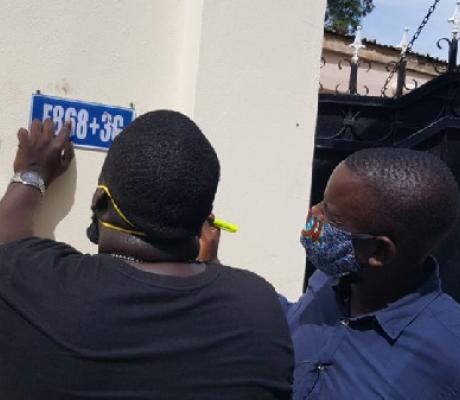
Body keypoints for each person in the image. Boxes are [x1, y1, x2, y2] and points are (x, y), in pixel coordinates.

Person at [0, 112, 293, 400]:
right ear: (205, 220)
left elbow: (5, 239)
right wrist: (209, 266)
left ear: (100, 201)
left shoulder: (35, 285)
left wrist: (32, 172)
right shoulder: (260, 308)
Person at [282, 148, 460, 399]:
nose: (314, 214)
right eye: (322, 202)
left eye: (332, 217)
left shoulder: (450, 353)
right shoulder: (328, 279)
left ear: (379, 251)